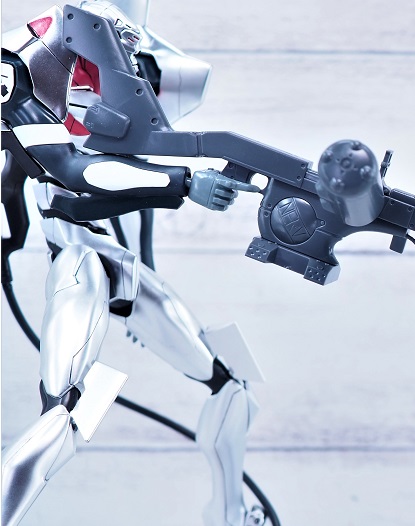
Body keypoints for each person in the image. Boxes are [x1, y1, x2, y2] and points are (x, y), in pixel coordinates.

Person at [1, 3, 263, 525]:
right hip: (79, 262)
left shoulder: (132, 70)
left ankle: (231, 513)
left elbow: (129, 176)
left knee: (231, 385)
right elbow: (70, 172)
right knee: (66, 410)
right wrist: (183, 183)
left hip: (119, 266)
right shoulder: (23, 70)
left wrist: (149, 261)